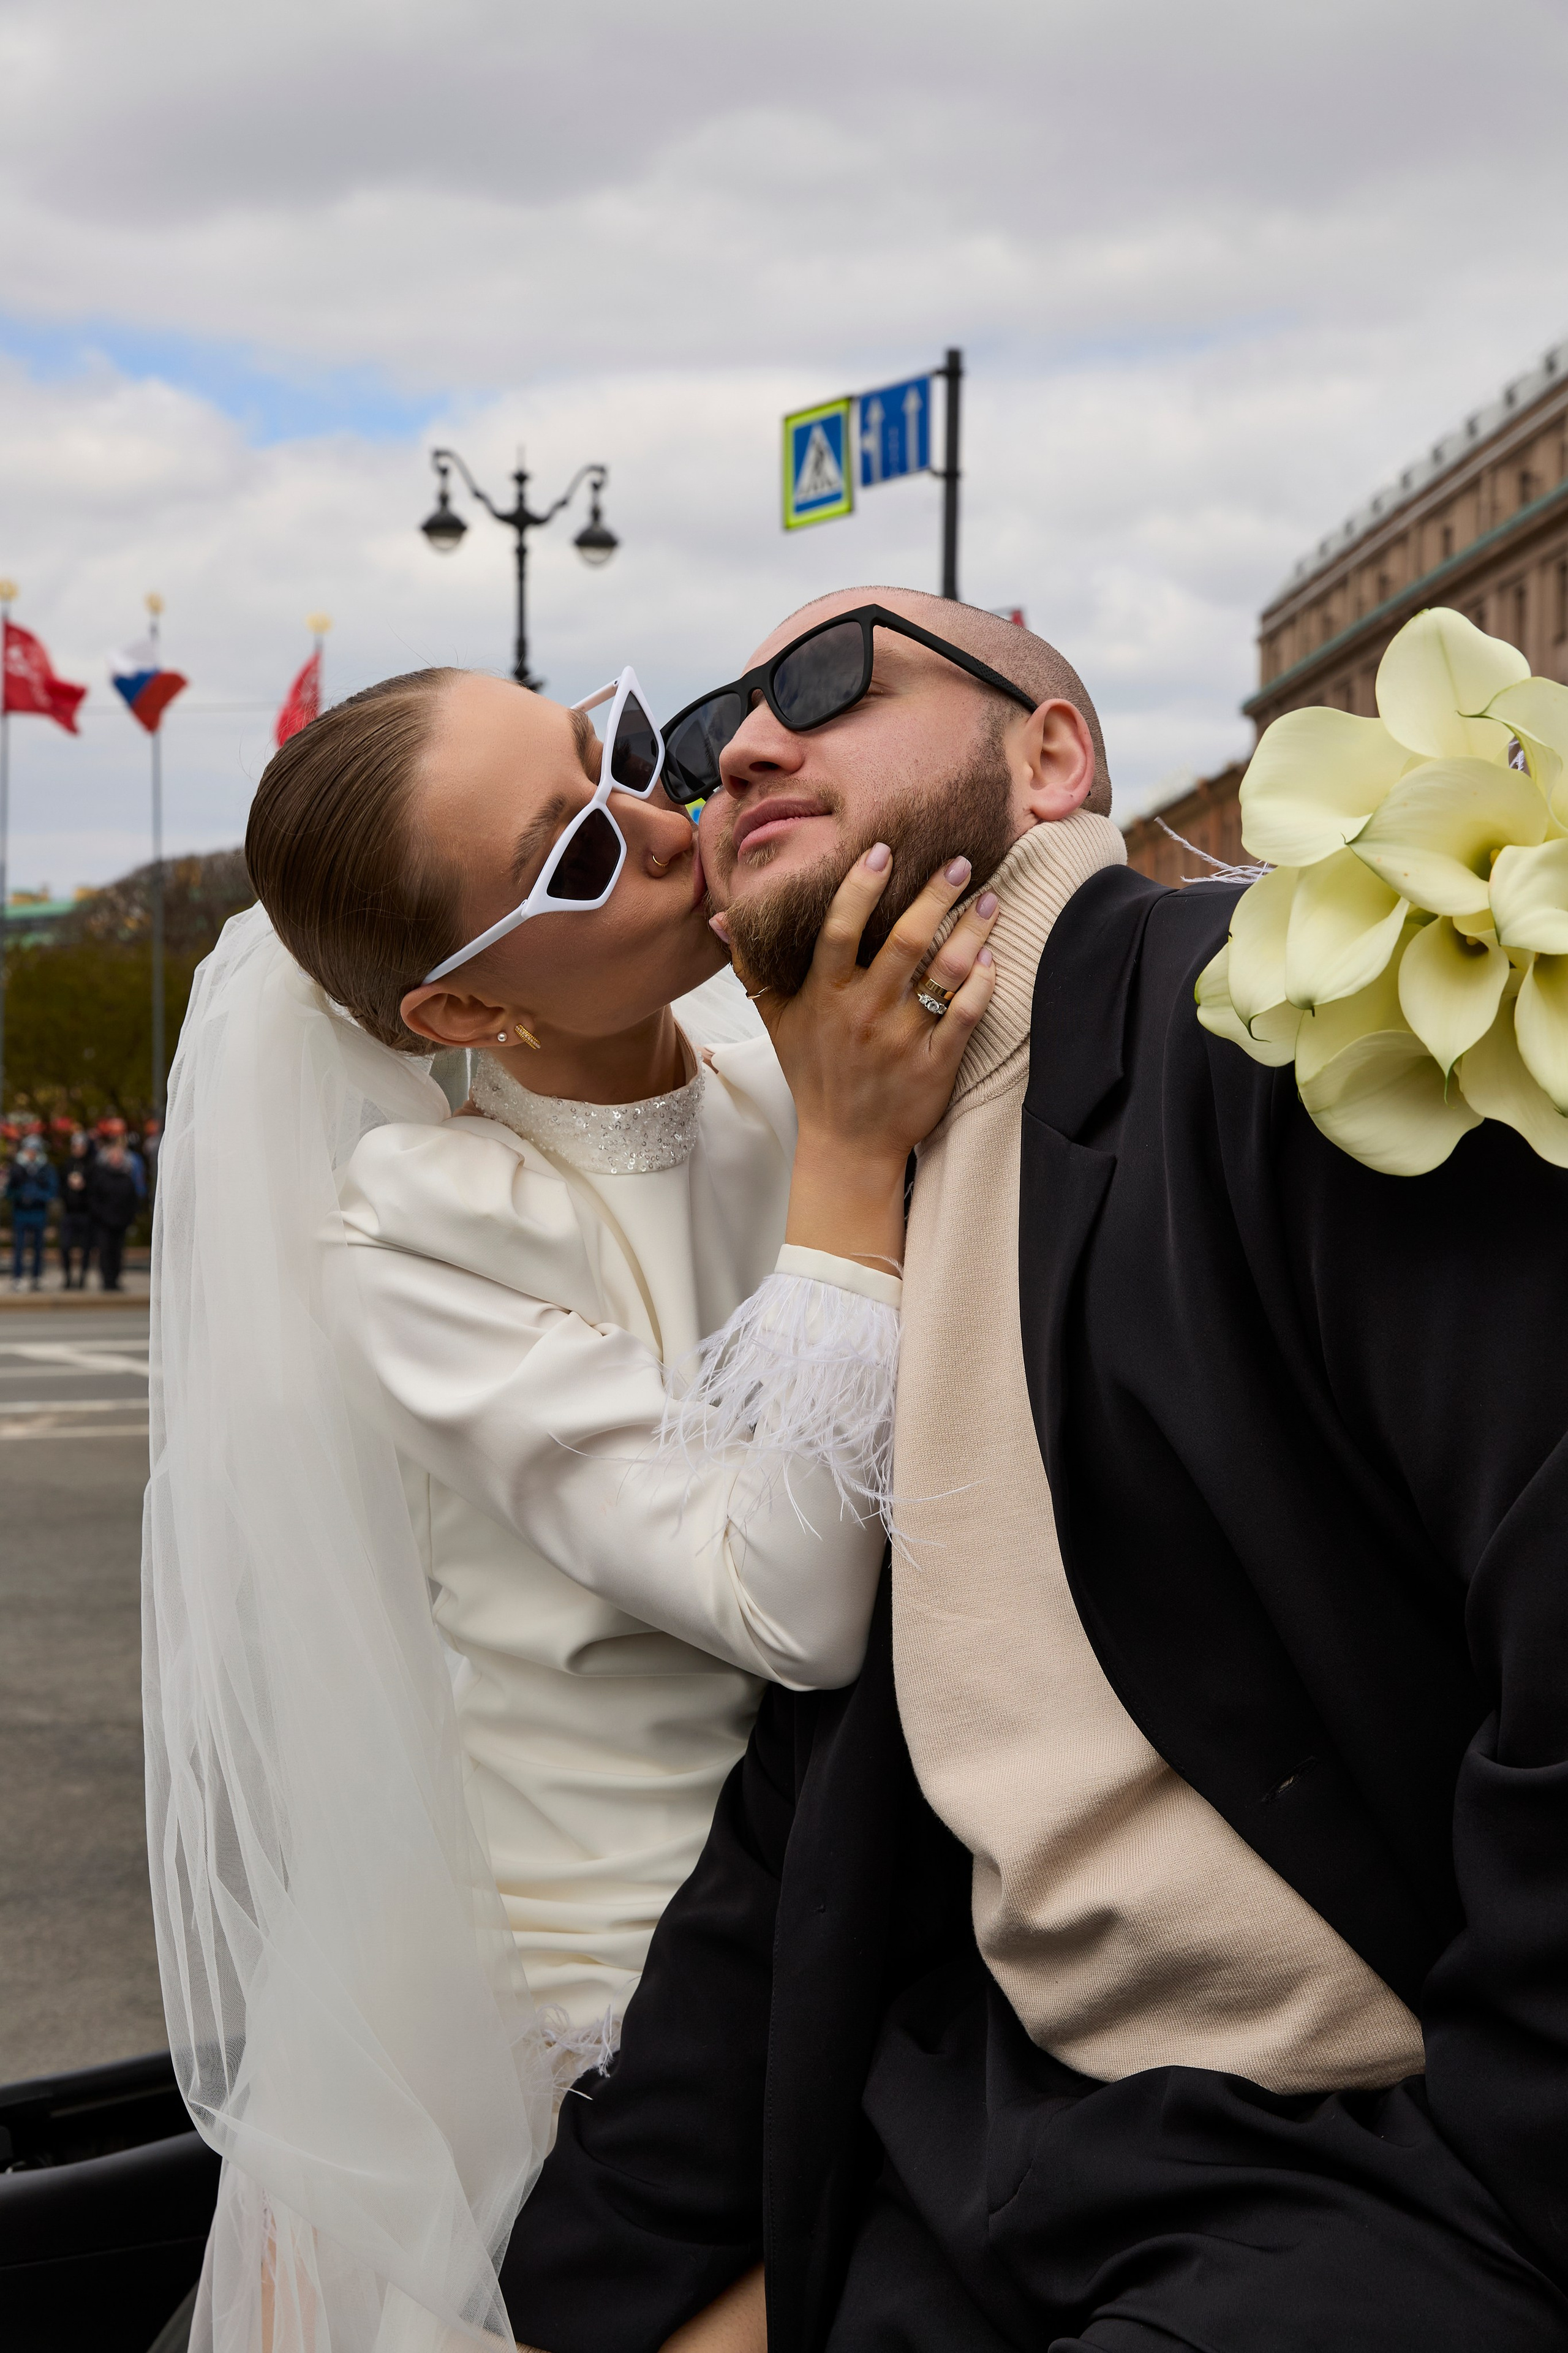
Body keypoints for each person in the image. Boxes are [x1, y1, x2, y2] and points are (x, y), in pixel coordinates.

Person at [501, 592, 1568, 2353]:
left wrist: (1500, 2186)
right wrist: (571, 2288)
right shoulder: (871, 1172)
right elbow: (811, 1792)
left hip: (1351, 2159)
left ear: (1052, 756)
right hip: (994, 2135)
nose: (749, 744)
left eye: (828, 680)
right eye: (712, 732)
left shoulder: (1293, 1024)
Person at [143, 660, 996, 2353]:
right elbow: (795, 1607)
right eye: (577, 859)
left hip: (913, 1860)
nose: (657, 822)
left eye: (614, 746)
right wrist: (845, 1158)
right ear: (465, 1017)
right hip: (637, 1988)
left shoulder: (778, 1031)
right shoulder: (415, 1236)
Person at [6, 1131, 58, 1291]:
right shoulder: (16, 1168)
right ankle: (18, 1278)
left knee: (38, 1247)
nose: (31, 1153)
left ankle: (37, 1277)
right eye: (29, 1149)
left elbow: (52, 1191)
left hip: (39, 1213)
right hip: (21, 1213)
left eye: (34, 1150)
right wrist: (21, 1196)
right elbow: (9, 1192)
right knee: (19, 1247)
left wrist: (37, 1196)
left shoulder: (46, 1168)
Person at [85, 1138, 139, 1290]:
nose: (116, 1159)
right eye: (114, 1156)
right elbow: (94, 1199)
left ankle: (116, 1279)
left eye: (119, 1157)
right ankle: (107, 1280)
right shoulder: (101, 1176)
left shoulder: (127, 1177)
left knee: (118, 1253)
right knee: (105, 1251)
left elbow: (132, 1201)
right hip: (104, 1222)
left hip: (121, 1222)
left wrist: (129, 1218)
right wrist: (102, 1216)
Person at [58, 1128, 94, 1288]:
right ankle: (67, 1277)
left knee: (86, 1248)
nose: (78, 1149)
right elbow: (59, 1188)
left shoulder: (92, 1165)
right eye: (76, 1146)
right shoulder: (67, 1164)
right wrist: (69, 1189)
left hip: (85, 1213)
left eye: (81, 1146)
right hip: (69, 1212)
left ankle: (82, 1278)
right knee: (65, 1246)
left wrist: (84, 1186)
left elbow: (96, 1189)